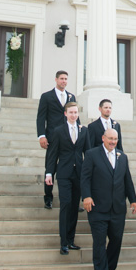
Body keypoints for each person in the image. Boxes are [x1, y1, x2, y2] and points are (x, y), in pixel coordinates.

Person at [81, 128, 136, 270]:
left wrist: (132, 199)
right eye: (110, 138)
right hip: (97, 207)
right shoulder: (92, 154)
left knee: (116, 241)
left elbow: (127, 180)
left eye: (115, 139)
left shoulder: (122, 156)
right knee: (99, 243)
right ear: (103, 138)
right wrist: (86, 196)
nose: (113, 141)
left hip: (118, 208)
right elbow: (85, 178)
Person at [45, 102, 89, 254]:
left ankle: (71, 240)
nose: (74, 115)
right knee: (65, 204)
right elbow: (52, 154)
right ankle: (63, 242)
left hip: (79, 175)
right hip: (64, 174)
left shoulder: (84, 131)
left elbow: (88, 154)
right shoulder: (58, 131)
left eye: (76, 112)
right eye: (71, 112)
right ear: (65, 114)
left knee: (74, 207)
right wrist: (49, 173)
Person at [37, 70, 77, 209]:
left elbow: (74, 116)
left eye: (66, 79)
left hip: (68, 138)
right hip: (53, 137)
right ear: (56, 79)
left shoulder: (71, 97)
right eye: (61, 79)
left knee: (72, 168)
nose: (64, 81)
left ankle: (74, 199)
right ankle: (48, 197)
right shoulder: (46, 96)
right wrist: (41, 135)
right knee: (50, 167)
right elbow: (41, 117)